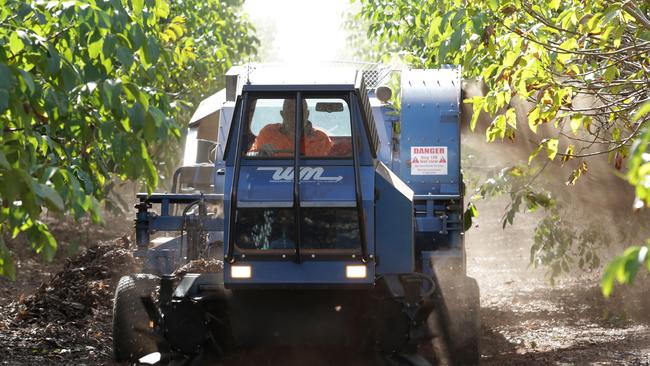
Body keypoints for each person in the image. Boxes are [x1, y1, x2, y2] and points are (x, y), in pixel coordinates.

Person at [249, 99, 332, 157]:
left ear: (307, 114)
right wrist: (260, 153)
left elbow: (332, 167)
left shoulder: (321, 139)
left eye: (300, 112)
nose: (295, 117)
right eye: (290, 113)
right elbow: (249, 156)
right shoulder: (268, 133)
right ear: (282, 114)